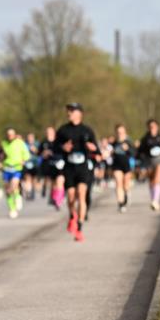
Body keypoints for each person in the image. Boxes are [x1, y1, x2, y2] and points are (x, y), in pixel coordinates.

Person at [54, 103, 98, 242]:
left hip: (83, 167)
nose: (69, 113)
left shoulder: (87, 130)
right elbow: (54, 147)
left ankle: (79, 228)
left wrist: (93, 148)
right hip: (69, 167)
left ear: (80, 113)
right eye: (68, 111)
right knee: (71, 196)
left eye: (72, 111)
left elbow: (96, 148)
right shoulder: (63, 130)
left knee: (82, 194)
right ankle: (72, 215)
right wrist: (63, 147)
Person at [137, 119, 160, 211]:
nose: (152, 128)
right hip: (149, 161)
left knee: (157, 180)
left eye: (153, 126)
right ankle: (153, 199)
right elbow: (140, 151)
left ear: (157, 127)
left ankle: (155, 201)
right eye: (150, 127)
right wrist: (141, 159)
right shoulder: (145, 138)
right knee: (151, 182)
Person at [0, 128, 31, 219]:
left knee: (14, 185)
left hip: (16, 168)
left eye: (11, 134)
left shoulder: (20, 143)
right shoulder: (3, 144)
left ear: (14, 134)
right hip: (6, 168)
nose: (10, 136)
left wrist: (24, 160)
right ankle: (12, 209)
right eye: (8, 134)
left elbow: (27, 154)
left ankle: (17, 197)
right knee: (7, 190)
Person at [110, 125, 136, 213]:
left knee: (125, 185)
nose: (120, 134)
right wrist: (110, 152)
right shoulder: (114, 143)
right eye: (118, 132)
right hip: (116, 165)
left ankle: (126, 195)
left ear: (125, 132)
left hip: (127, 165)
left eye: (121, 132)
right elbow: (110, 153)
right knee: (118, 183)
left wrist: (128, 149)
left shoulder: (128, 142)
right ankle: (121, 203)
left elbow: (134, 153)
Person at [39, 126, 64, 210]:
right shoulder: (44, 142)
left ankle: (58, 201)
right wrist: (44, 154)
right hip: (49, 165)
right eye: (47, 132)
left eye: (50, 132)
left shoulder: (59, 141)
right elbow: (39, 153)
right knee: (53, 183)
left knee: (60, 181)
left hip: (60, 164)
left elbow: (64, 151)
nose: (48, 133)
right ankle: (53, 197)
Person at [22, 132, 40, 201]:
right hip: (27, 164)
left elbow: (39, 153)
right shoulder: (24, 144)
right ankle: (29, 192)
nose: (30, 139)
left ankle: (32, 192)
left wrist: (35, 150)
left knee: (34, 180)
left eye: (31, 137)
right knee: (27, 178)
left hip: (35, 164)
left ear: (33, 138)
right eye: (29, 137)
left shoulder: (37, 144)